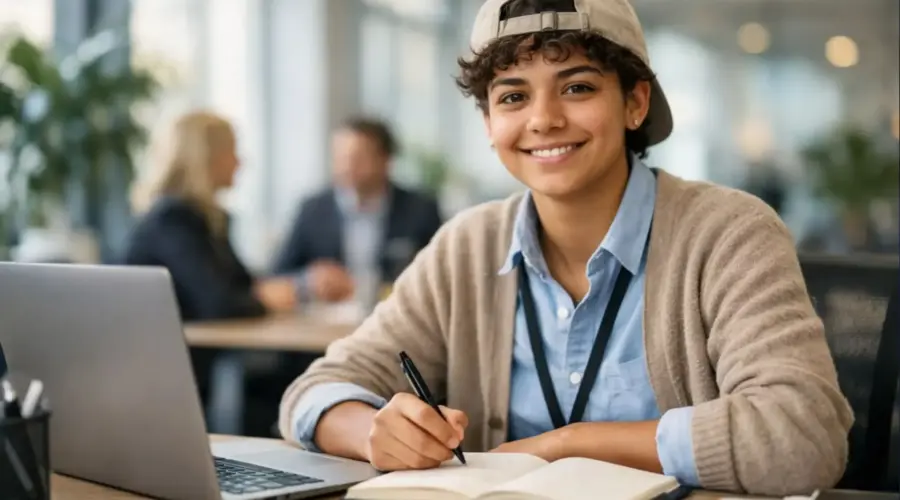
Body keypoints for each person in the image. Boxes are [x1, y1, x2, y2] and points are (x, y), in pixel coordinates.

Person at [278, 0, 853, 496]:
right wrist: (371, 431)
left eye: (577, 87)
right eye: (512, 96)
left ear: (635, 103)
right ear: (488, 121)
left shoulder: (728, 232)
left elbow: (803, 435)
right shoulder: (467, 245)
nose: (544, 119)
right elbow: (311, 393)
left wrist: (565, 446)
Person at [125, 111, 297, 320]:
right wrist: (264, 300)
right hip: (166, 348)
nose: (239, 162)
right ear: (207, 157)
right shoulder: (171, 220)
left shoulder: (208, 219)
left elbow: (242, 283)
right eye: (231, 151)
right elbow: (217, 304)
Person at [271, 117, 444, 308]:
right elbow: (277, 275)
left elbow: (439, 277)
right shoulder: (313, 209)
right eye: (339, 158)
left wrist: (363, 286)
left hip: (397, 316)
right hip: (323, 322)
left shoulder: (420, 210)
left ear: (385, 160)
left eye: (357, 158)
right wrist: (309, 280)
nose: (346, 167)